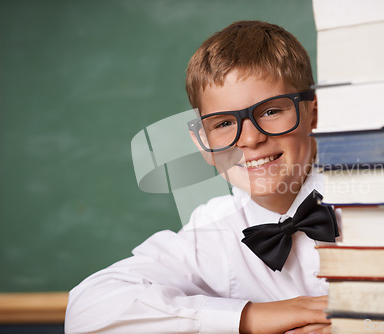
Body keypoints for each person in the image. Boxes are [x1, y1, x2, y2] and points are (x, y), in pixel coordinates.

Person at [65, 20, 339, 334]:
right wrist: (250, 318)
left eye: (271, 111)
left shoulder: (378, 197)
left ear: (313, 114)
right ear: (203, 144)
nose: (249, 139)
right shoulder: (211, 231)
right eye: (223, 124)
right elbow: (87, 313)